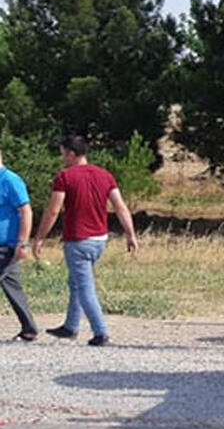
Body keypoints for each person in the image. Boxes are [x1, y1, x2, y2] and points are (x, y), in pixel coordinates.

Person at [33, 135, 139, 346]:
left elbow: (54, 210)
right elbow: (120, 206)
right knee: (76, 282)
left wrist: (39, 237)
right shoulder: (105, 176)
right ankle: (70, 326)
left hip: (78, 240)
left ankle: (101, 331)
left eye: (63, 154)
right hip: (100, 239)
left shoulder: (64, 177)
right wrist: (130, 234)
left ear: (72, 154)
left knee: (84, 287)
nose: (62, 158)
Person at [0, 149, 40, 342]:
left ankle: (29, 328)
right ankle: (29, 328)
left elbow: (25, 211)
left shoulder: (11, 180)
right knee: (12, 287)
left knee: (11, 285)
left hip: (6, 246)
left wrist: (22, 243)